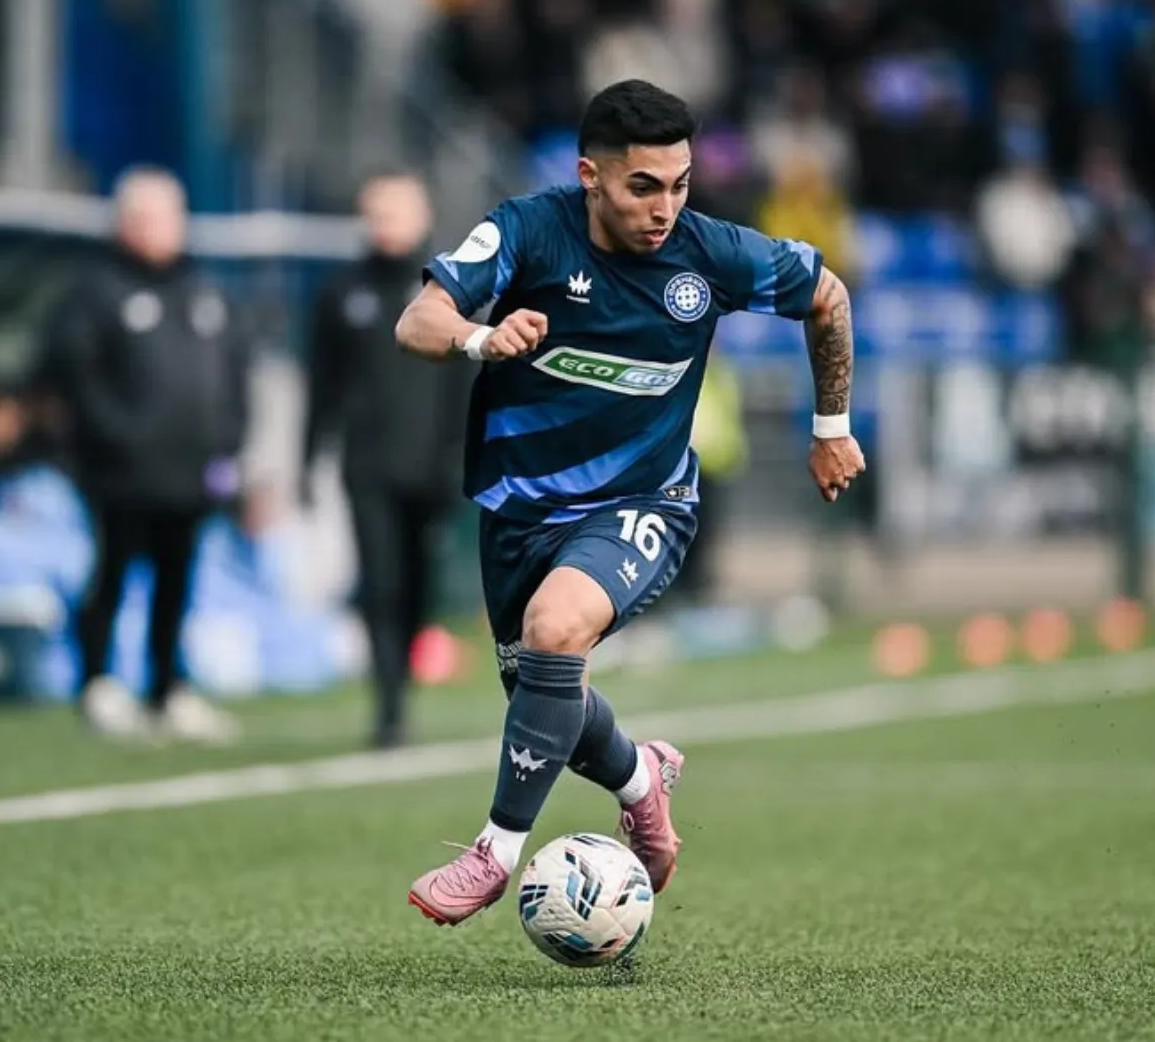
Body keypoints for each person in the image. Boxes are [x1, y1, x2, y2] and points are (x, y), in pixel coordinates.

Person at [394, 80, 864, 925]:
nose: (666, 208)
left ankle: (495, 852)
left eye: (680, 185)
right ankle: (642, 779)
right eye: (645, 186)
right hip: (518, 513)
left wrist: (830, 424)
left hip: (642, 502)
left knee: (555, 630)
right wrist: (480, 337)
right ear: (590, 176)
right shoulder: (528, 230)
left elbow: (827, 296)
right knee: (546, 695)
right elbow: (418, 319)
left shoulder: (709, 252)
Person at [49, 166, 244, 744]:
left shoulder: (203, 290)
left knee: (176, 580)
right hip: (121, 472)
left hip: (190, 472)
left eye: (174, 215)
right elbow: (77, 377)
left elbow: (235, 373)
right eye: (155, 216)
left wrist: (229, 437)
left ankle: (167, 688)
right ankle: (99, 682)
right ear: (127, 222)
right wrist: (120, 437)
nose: (167, 228)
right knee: (112, 573)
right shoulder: (98, 292)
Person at [304, 170, 474, 750]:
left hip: (430, 464)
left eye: (397, 213)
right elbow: (320, 384)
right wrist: (309, 458)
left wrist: (462, 455)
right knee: (379, 583)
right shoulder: (340, 292)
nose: (387, 226)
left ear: (421, 217)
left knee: (417, 585)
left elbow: (465, 380)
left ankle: (402, 684)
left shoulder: (448, 292)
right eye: (377, 214)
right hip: (367, 464)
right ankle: (388, 705)